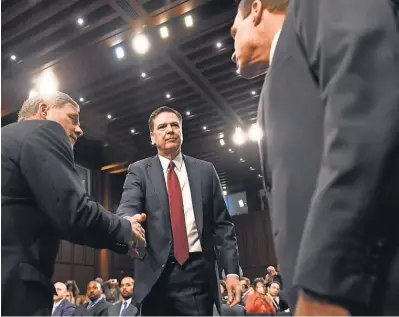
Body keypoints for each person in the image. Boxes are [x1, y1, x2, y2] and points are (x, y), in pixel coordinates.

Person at [231, 0, 399, 315]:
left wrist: (328, 279)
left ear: (256, 9)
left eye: (233, 32)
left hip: (361, 285)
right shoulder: (281, 70)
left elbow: (366, 110)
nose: (232, 48)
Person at [1, 92, 146, 316]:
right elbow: (74, 212)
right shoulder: (43, 131)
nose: (79, 129)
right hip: (13, 288)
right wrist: (126, 229)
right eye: (73, 117)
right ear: (44, 111)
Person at [117, 106, 241, 315]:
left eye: (175, 125)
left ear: (182, 131)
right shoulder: (139, 170)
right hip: (156, 276)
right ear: (152, 136)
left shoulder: (205, 171)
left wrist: (231, 273)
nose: (170, 130)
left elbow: (223, 226)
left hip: (197, 275)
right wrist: (128, 221)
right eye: (162, 126)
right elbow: (129, 205)